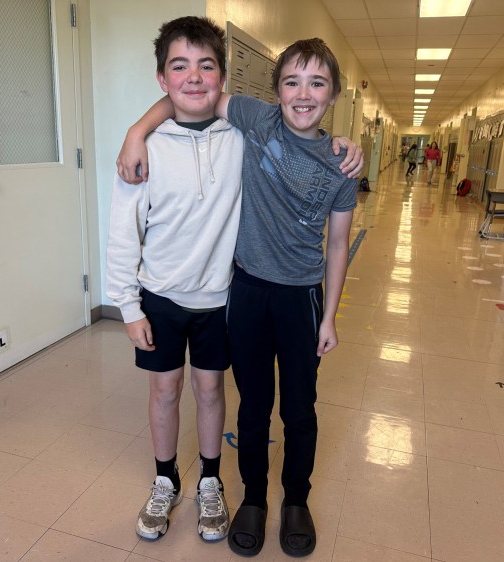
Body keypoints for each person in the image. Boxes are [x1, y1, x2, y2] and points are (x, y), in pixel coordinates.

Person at [117, 37, 359, 558]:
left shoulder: (341, 165)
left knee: (299, 407)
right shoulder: (257, 120)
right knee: (253, 406)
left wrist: (330, 315)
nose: (303, 93)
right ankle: (252, 497)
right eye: (292, 81)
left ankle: (296, 500)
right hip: (245, 291)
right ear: (274, 93)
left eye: (317, 83)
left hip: (301, 298)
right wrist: (137, 131)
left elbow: (338, 243)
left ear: (334, 94)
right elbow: (190, 95)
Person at [105, 16, 243, 543]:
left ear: (222, 76)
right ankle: (166, 479)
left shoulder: (240, 139)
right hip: (159, 296)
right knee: (165, 390)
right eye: (179, 66)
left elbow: (296, 122)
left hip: (220, 299)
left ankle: (211, 482)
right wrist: (129, 306)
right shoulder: (144, 149)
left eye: (206, 65)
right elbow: (124, 233)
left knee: (210, 390)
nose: (193, 77)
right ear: (162, 79)